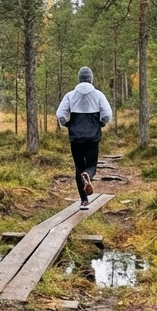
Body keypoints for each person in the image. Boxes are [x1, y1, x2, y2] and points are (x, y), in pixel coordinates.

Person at [56, 66, 113, 210]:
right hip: (93, 136)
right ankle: (88, 175)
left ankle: (84, 201)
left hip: (75, 137)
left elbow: (60, 114)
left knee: (79, 168)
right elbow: (107, 114)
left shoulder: (70, 95)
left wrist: (66, 124)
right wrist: (102, 123)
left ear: (79, 79)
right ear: (91, 79)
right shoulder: (98, 95)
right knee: (91, 166)